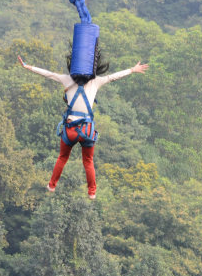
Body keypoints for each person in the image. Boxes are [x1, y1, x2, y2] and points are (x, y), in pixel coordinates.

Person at [17, 50, 148, 199]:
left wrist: (28, 67)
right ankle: (92, 192)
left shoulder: (67, 79)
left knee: (62, 157)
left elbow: (48, 74)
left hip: (70, 130)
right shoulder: (95, 81)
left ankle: (52, 185)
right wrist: (132, 69)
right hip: (87, 130)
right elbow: (113, 77)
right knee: (88, 161)